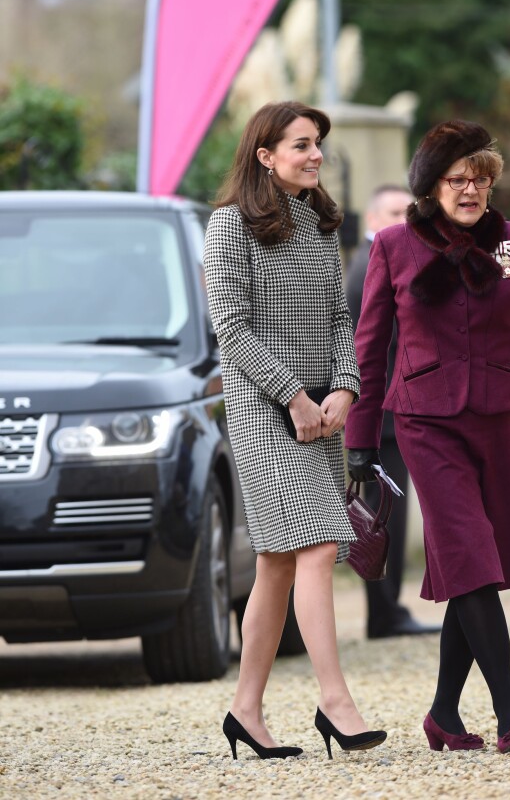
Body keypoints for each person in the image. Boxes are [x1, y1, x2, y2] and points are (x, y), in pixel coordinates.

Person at [345, 119, 510, 754]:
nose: (470, 190)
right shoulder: (394, 245)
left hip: (503, 419)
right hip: (425, 421)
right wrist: (361, 443)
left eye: (479, 178)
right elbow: (369, 350)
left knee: (477, 567)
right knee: (471, 558)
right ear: (432, 186)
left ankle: (443, 715)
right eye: (456, 179)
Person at [204, 101, 387, 761]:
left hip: (322, 412)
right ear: (265, 154)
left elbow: (343, 319)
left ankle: (245, 710)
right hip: (263, 412)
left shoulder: (318, 222)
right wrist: (294, 396)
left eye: (318, 145)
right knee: (315, 544)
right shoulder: (228, 226)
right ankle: (335, 701)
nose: (316, 155)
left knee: (278, 564)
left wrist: (343, 387)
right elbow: (230, 327)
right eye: (303, 144)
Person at [346, 184, 441, 639]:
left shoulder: (378, 261)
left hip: (382, 412)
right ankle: (383, 613)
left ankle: (387, 610)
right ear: (370, 218)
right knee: (385, 516)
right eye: (394, 211)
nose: (406, 220)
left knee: (388, 515)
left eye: (410, 212)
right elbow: (370, 348)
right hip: (381, 416)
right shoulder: (371, 265)